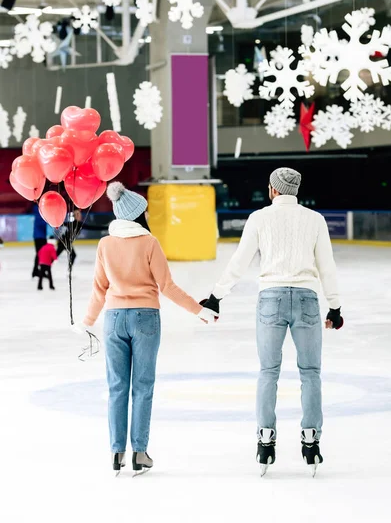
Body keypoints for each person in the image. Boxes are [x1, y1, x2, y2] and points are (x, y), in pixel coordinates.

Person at [201, 167, 343, 476]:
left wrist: (216, 296)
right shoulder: (315, 220)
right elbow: (327, 266)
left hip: (271, 299)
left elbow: (240, 261)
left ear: (273, 190)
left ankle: (265, 440)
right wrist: (334, 307)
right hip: (306, 298)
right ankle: (311, 440)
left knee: (268, 371)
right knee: (311, 373)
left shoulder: (260, 218)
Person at [79, 182, 216, 475]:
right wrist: (199, 310)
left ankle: (117, 453)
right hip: (146, 319)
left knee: (117, 387)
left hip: (114, 319)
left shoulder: (105, 244)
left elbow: (99, 290)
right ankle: (139, 453)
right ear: (139, 214)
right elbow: (167, 286)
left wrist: (87, 321)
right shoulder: (149, 242)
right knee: (142, 387)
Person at [32, 204, 48, 278]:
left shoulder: (39, 211)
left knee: (40, 254)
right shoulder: (39, 211)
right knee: (40, 254)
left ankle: (38, 271)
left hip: (40, 236)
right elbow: (41, 223)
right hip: (39, 237)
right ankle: (37, 271)